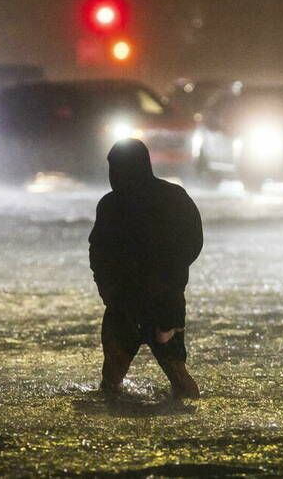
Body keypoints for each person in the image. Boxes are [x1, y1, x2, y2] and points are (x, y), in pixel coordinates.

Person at [89, 138, 203, 400]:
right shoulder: (171, 198)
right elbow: (193, 241)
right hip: (148, 301)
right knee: (172, 374)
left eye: (116, 168)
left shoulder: (114, 205)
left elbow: (99, 251)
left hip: (142, 302)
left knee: (115, 382)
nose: (113, 175)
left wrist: (109, 287)